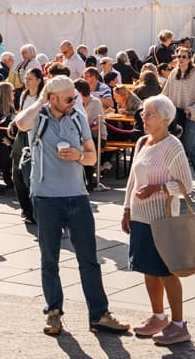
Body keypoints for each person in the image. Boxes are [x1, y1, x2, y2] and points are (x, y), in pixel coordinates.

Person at [12, 75, 130, 336]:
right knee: (49, 259)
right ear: (52, 98)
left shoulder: (77, 117)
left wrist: (78, 156)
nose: (73, 101)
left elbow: (92, 157)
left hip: (77, 197)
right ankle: (54, 312)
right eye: (68, 98)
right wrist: (41, 99)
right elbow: (20, 123)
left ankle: (99, 314)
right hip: (45, 198)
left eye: (74, 97)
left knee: (89, 259)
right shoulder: (39, 117)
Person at [121, 94, 195, 345]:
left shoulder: (173, 145)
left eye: (149, 113)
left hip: (162, 219)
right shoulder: (143, 142)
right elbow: (133, 179)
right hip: (140, 217)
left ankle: (178, 324)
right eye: (144, 112)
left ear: (165, 119)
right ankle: (158, 316)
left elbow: (186, 185)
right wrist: (126, 210)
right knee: (148, 269)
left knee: (166, 271)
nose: (144, 117)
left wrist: (158, 188)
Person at [163, 52, 195, 183]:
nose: (181, 59)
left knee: (190, 145)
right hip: (175, 114)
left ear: (189, 59)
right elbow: (165, 93)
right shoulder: (173, 73)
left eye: (184, 56)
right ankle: (178, 177)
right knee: (175, 146)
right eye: (179, 56)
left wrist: (193, 109)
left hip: (190, 115)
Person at [7, 67, 44, 225]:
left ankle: (36, 210)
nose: (26, 81)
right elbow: (21, 112)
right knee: (17, 171)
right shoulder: (24, 95)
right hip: (22, 135)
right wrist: (13, 122)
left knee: (32, 173)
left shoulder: (43, 98)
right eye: (26, 78)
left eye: (30, 78)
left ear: (38, 80)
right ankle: (25, 208)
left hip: (36, 136)